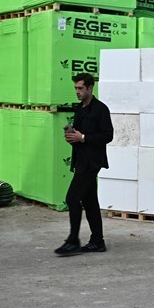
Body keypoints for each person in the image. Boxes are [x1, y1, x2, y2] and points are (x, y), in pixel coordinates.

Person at [55, 73, 113, 257]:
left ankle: (73, 241)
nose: (77, 92)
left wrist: (84, 137)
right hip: (80, 160)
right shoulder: (80, 108)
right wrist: (73, 137)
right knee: (90, 202)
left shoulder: (101, 109)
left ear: (90, 88)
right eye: (75, 88)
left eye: (80, 88)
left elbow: (108, 135)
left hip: (91, 162)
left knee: (72, 199)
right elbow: (79, 135)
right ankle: (97, 241)